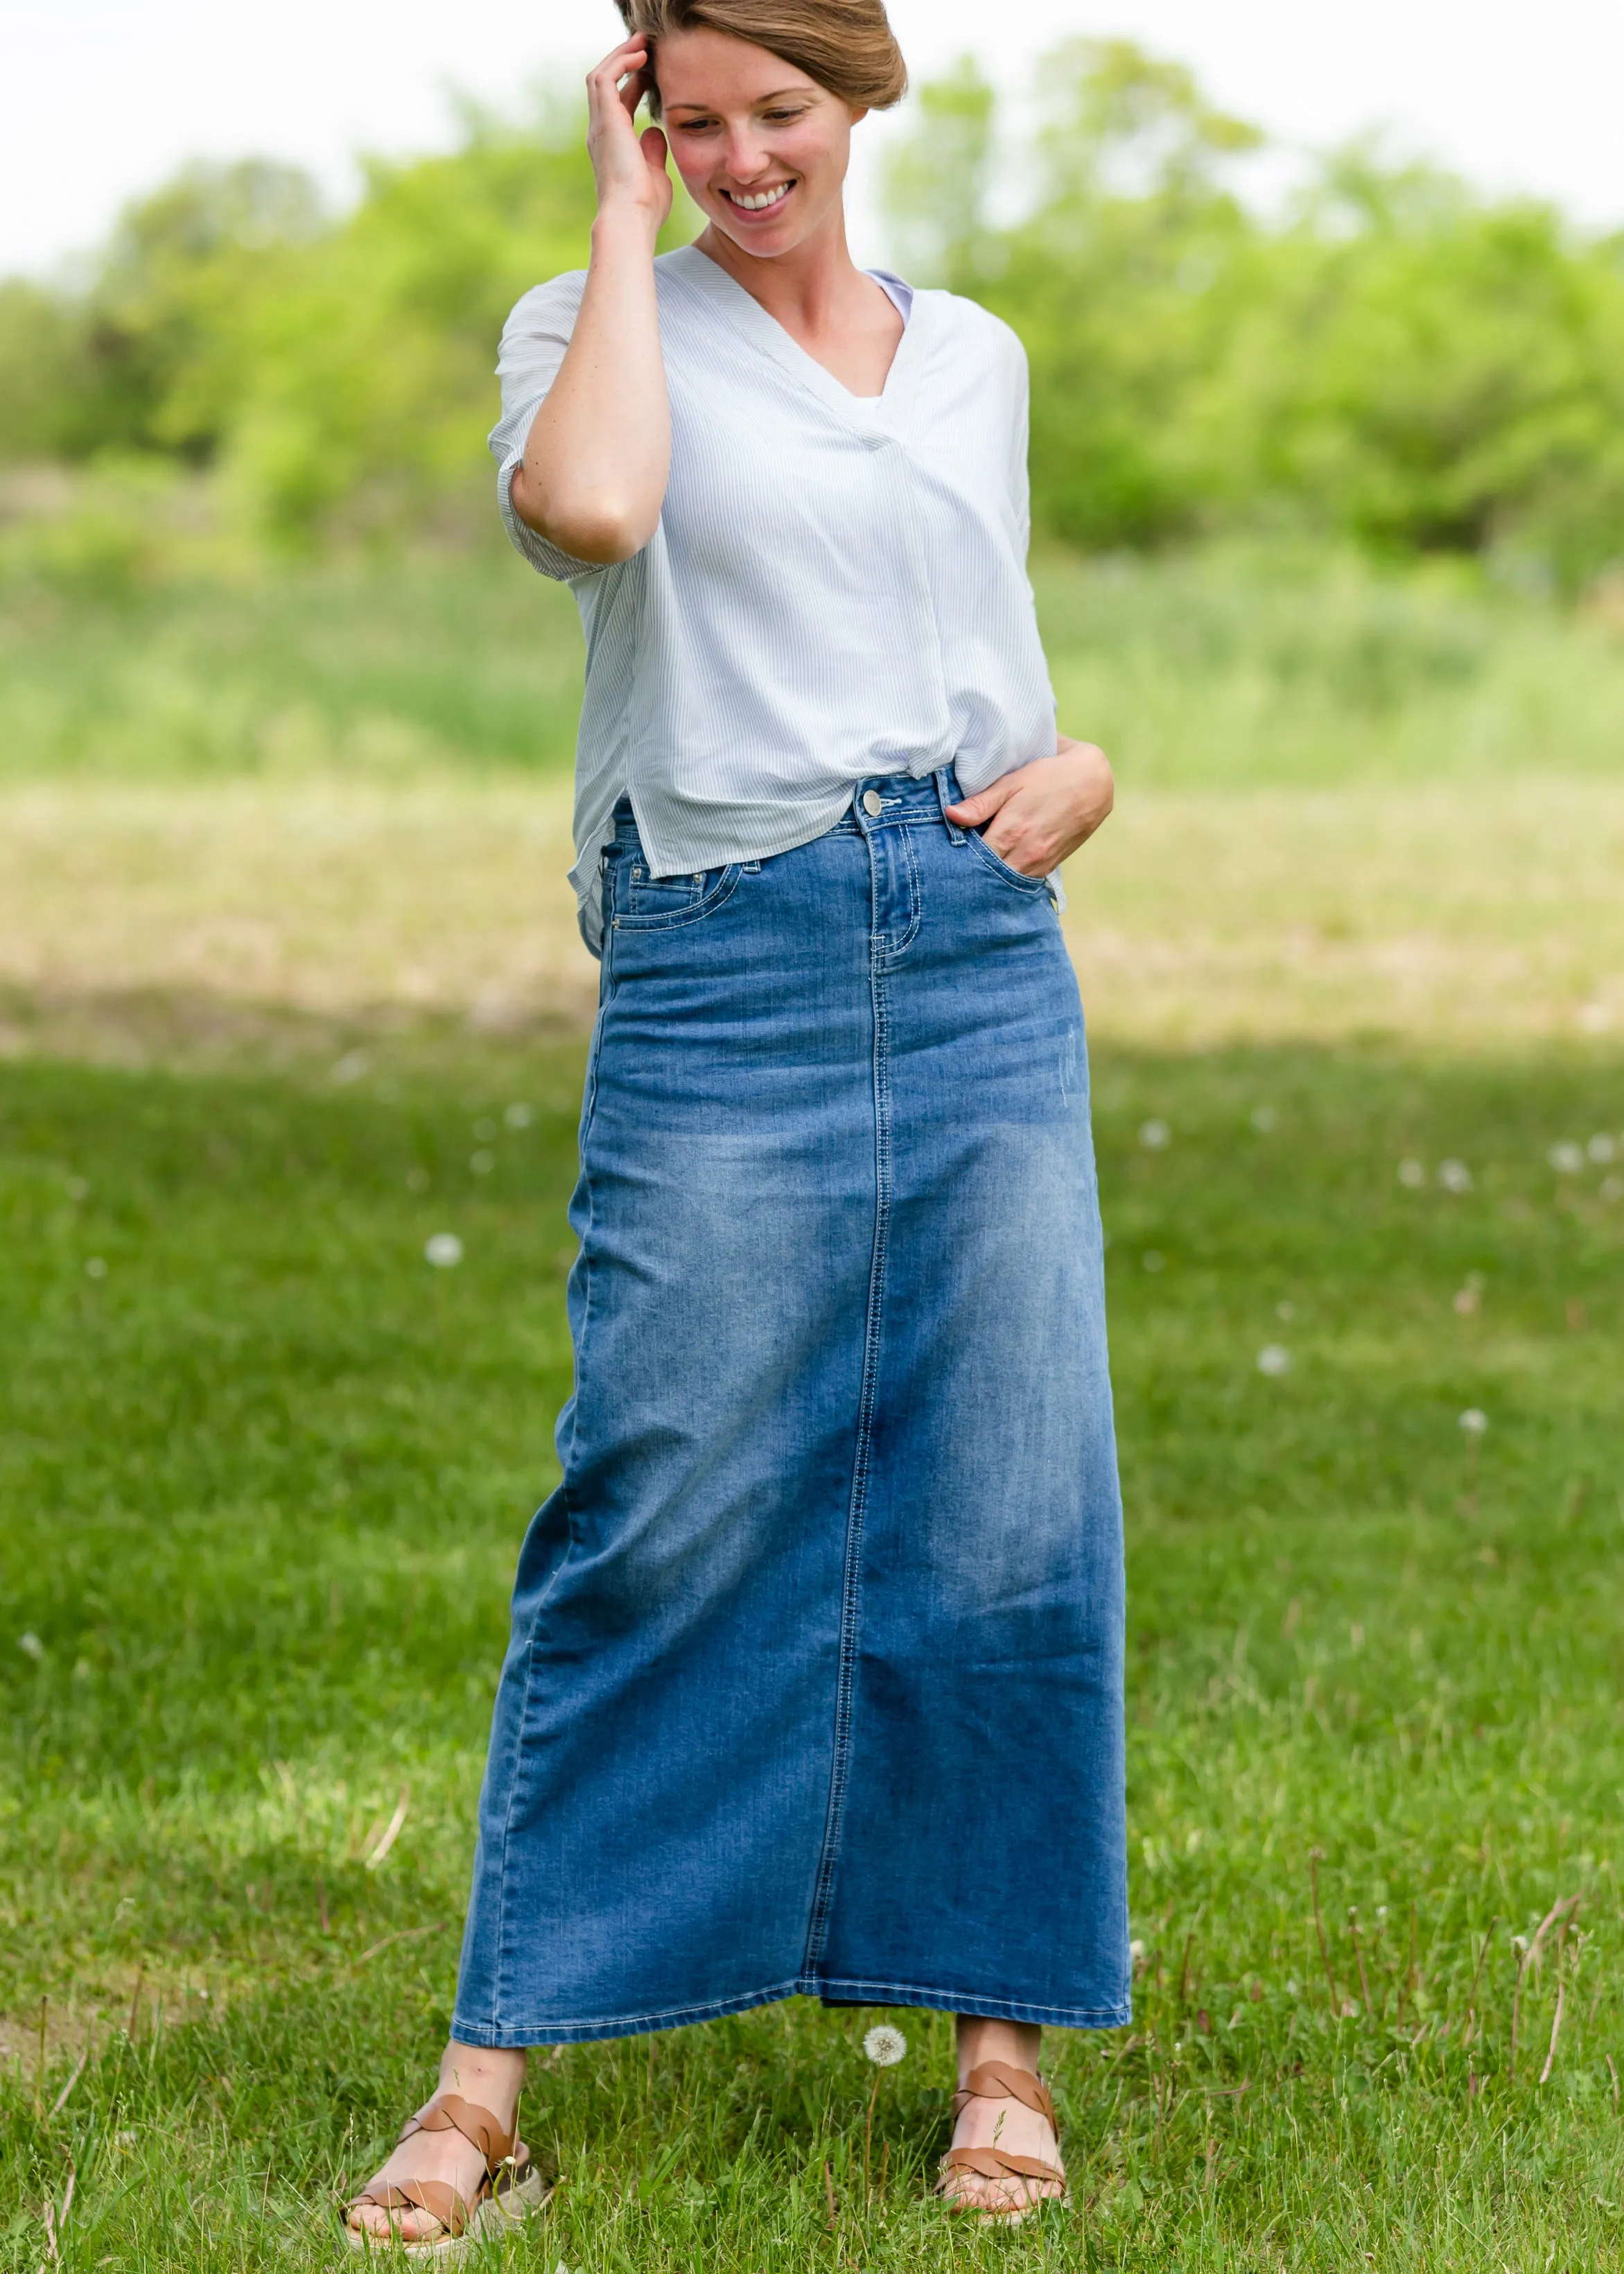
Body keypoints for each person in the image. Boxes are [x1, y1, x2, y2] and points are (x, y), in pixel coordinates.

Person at [345, 0, 1127, 2245]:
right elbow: (592, 513)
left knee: (1005, 1498)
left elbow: (977, 631)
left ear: (858, 96)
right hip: (726, 947)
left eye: (771, 112)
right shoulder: (592, 323)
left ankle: (998, 2041)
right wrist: (613, 222)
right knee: (660, 1496)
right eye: (688, 123)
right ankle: (492, 2067)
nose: (736, 160)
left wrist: (1078, 773)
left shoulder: (969, 351)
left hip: (979, 944)